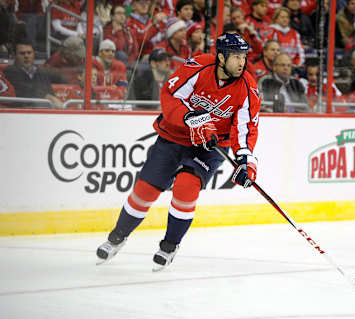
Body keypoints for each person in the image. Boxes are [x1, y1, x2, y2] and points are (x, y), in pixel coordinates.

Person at [96, 32, 261, 270]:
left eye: (243, 57)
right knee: (145, 190)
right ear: (221, 57)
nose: (241, 63)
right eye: (236, 57)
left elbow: (245, 130)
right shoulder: (197, 67)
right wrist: (190, 118)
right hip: (175, 136)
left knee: (186, 186)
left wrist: (246, 162)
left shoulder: (247, 86)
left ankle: (169, 246)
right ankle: (117, 237)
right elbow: (170, 97)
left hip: (210, 147)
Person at [4, 40, 63, 108]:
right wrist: (47, 96)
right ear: (14, 56)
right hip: (19, 112)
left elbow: (50, 93)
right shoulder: (9, 71)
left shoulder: (41, 72)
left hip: (43, 112)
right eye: (22, 53)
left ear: (34, 54)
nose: (26, 56)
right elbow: (23, 90)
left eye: (29, 53)